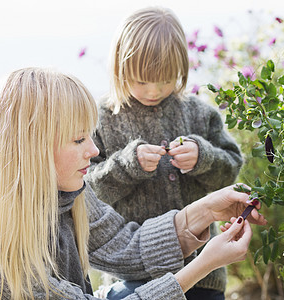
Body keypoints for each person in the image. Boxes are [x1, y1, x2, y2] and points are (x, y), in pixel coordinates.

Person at [0, 67, 265, 300]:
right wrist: (202, 266)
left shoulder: (66, 193)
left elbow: (126, 246)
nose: (95, 150)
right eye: (79, 139)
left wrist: (204, 210)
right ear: (34, 149)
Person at [85, 6, 243, 299]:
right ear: (120, 69)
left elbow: (230, 171)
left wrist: (203, 158)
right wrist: (126, 165)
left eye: (166, 80)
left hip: (203, 272)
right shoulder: (101, 119)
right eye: (142, 81)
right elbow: (88, 195)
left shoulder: (198, 113)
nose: (154, 91)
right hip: (135, 276)